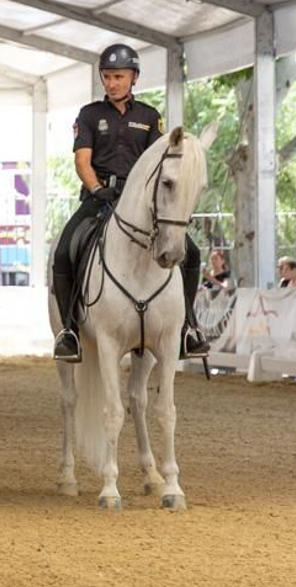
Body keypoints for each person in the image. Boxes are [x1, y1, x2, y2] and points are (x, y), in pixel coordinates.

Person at [50, 43, 210, 362]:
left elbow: (158, 163)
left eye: (119, 77)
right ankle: (69, 331)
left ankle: (187, 329)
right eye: (107, 77)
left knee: (190, 252)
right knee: (66, 250)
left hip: (141, 203)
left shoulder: (150, 117)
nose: (112, 83)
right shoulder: (90, 115)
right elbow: (82, 161)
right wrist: (97, 189)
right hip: (98, 198)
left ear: (133, 77)